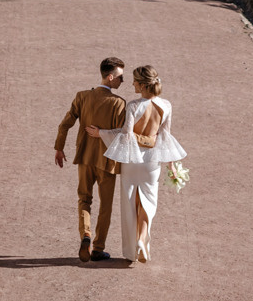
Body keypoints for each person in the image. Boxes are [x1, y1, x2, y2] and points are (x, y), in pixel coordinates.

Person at [86, 64, 186, 267]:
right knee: (148, 202)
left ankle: (132, 249)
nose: (131, 83)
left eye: (133, 81)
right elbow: (165, 137)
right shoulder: (166, 105)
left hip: (132, 162)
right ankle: (142, 239)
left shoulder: (133, 105)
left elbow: (126, 135)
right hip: (152, 162)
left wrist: (102, 133)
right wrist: (172, 165)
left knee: (130, 204)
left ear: (141, 85)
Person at [54, 56, 126, 262]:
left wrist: (59, 148)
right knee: (105, 205)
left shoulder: (82, 96)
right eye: (120, 77)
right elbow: (122, 134)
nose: (122, 81)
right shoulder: (119, 103)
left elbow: (64, 125)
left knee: (84, 199)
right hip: (107, 161)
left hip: (84, 158)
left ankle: (85, 234)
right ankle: (98, 248)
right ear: (110, 77)